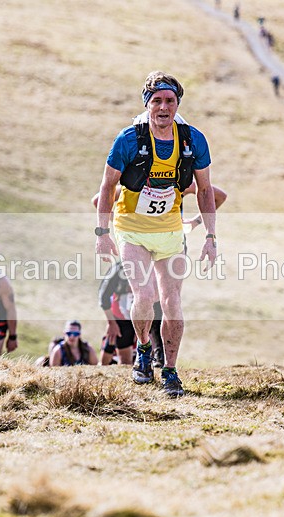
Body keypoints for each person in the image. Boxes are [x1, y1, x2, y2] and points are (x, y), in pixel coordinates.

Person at [95, 71, 217, 397]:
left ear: (177, 104)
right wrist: (102, 233)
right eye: (157, 101)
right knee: (145, 295)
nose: (164, 107)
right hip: (131, 230)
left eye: (170, 101)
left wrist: (210, 237)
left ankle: (171, 370)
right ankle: (144, 349)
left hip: (170, 231)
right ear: (147, 104)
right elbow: (107, 187)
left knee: (172, 302)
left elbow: (206, 190)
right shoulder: (128, 140)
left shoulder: (193, 140)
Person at [98, 261, 136, 366]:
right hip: (120, 318)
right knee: (121, 359)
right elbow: (103, 297)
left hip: (141, 318)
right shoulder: (118, 269)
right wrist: (111, 323)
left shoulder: (149, 265)